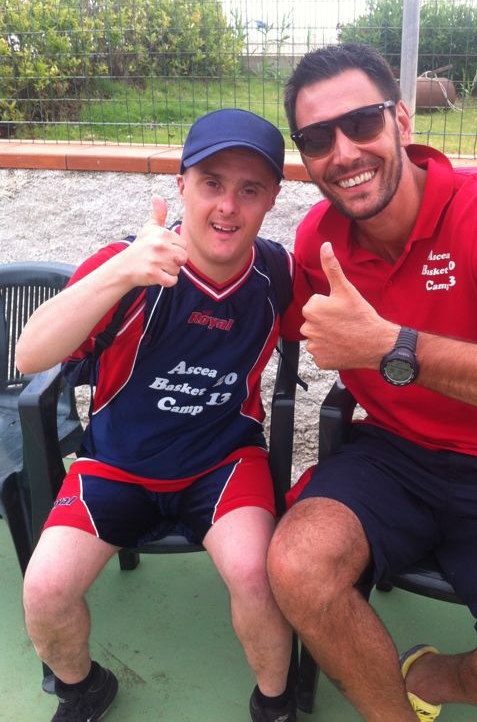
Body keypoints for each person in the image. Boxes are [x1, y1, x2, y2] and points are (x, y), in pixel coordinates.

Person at [266, 43, 477, 722]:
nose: (343, 152)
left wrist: (395, 348)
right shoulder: (318, 242)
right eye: (317, 139)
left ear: (401, 120)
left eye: (361, 123)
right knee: (296, 564)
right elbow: (255, 315)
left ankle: (438, 675)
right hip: (389, 455)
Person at [16, 108, 299, 722]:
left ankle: (275, 702)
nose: (227, 206)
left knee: (257, 576)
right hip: (116, 463)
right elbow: (29, 354)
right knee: (44, 588)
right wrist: (120, 274)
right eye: (212, 183)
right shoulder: (128, 262)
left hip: (223, 462)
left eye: (250, 189)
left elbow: (340, 330)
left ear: (272, 199)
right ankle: (84, 688)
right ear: (181, 185)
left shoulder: (278, 273)